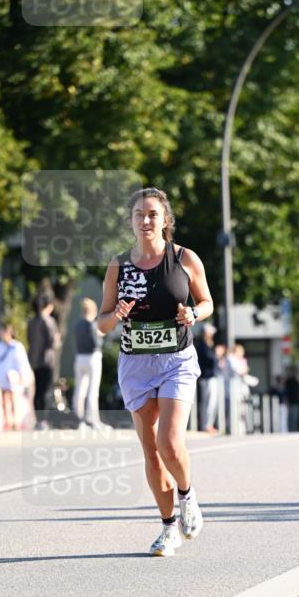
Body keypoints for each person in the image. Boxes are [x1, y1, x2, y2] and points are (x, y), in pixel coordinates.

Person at [98, 187, 214, 556]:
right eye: (138, 215)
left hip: (176, 360)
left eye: (152, 214)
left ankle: (187, 495)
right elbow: (101, 322)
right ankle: (168, 529)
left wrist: (193, 313)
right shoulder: (118, 266)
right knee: (150, 451)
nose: (145, 220)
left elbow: (207, 301)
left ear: (165, 221)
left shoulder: (184, 258)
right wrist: (114, 316)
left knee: (169, 441)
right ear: (131, 222)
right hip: (135, 364)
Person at [27, 291, 61, 429]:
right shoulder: (48, 321)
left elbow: (29, 339)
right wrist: (58, 338)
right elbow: (53, 342)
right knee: (46, 390)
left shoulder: (31, 321)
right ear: (48, 306)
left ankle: (37, 420)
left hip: (34, 360)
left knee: (38, 391)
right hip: (47, 360)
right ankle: (44, 421)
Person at [0, 323, 34, 430]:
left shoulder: (16, 346)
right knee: (5, 399)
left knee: (15, 399)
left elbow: (22, 363)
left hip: (14, 379)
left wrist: (22, 377)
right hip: (1, 378)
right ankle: (8, 421)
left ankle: (16, 420)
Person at [72, 297, 104, 429]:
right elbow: (96, 343)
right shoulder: (93, 325)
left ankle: (78, 419)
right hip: (92, 357)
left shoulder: (77, 324)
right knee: (93, 390)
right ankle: (92, 419)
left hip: (80, 358)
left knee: (79, 389)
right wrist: (100, 336)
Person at [195, 322, 219, 432]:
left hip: (210, 376)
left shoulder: (208, 344)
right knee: (207, 402)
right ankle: (206, 425)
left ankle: (209, 424)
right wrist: (216, 355)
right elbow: (209, 359)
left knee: (211, 402)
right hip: (206, 377)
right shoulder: (203, 345)